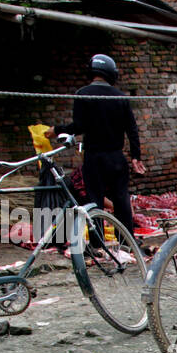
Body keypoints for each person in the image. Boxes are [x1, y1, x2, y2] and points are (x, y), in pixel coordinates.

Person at [49, 54, 144, 235]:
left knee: (94, 201)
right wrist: (135, 156)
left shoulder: (82, 94)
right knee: (121, 200)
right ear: (111, 73)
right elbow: (132, 129)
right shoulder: (120, 97)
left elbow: (79, 126)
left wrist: (58, 130)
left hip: (94, 158)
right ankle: (126, 241)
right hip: (116, 157)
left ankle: (98, 243)